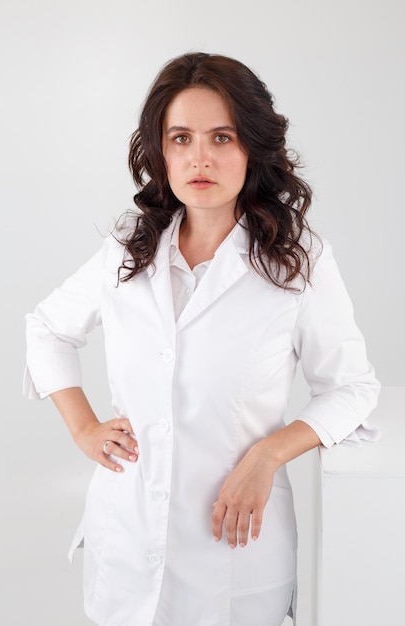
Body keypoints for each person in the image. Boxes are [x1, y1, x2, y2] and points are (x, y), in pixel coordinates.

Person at [24, 52, 380, 626]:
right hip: (128, 539)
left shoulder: (299, 262)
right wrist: (84, 427)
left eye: (222, 137)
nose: (200, 158)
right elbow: (46, 329)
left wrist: (268, 454)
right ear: (160, 153)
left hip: (234, 551)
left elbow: (352, 388)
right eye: (181, 138)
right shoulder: (127, 249)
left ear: (252, 148)